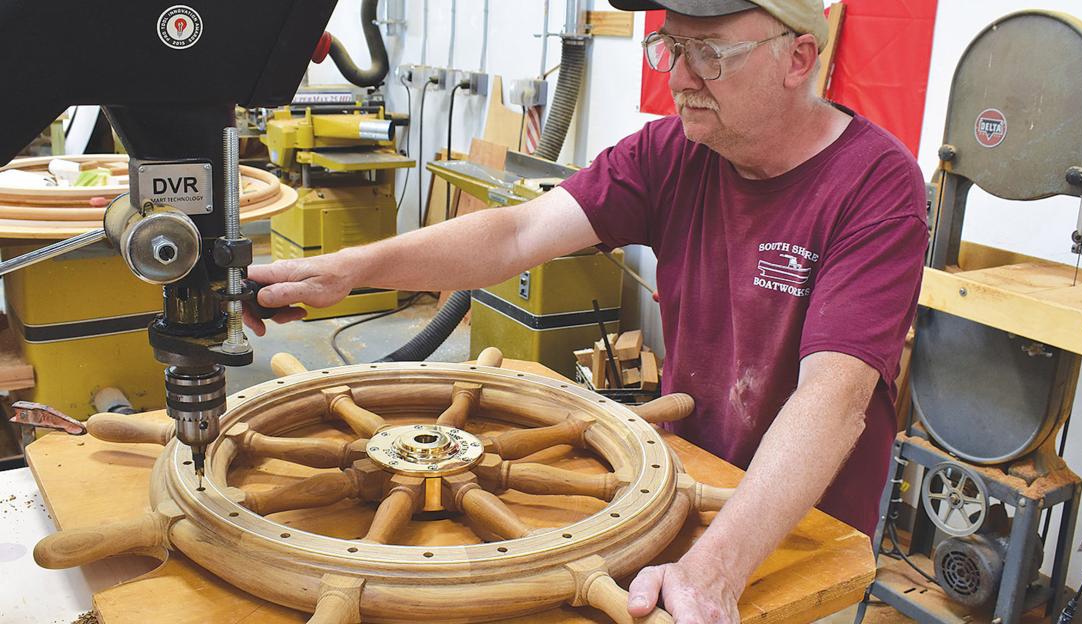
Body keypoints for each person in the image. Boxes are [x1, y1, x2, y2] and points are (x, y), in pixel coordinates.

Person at [246, 0, 928, 620]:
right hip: (686, 483)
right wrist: (351, 269)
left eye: (711, 54)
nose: (680, 80)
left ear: (799, 57)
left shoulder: (876, 186)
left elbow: (833, 401)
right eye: (670, 48)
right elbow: (515, 233)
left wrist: (716, 570)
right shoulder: (672, 151)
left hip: (801, 526)